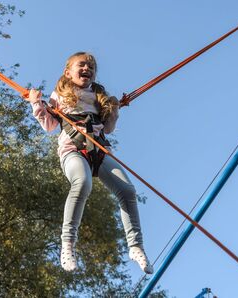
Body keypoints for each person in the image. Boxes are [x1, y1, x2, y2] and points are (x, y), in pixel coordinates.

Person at [25, 52, 153, 274]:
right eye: (81, 65)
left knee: (127, 190)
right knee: (82, 183)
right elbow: (49, 126)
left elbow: (109, 128)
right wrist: (36, 103)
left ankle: (135, 246)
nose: (87, 68)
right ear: (68, 72)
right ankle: (68, 245)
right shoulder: (60, 95)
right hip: (72, 149)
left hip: (101, 151)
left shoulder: (99, 96)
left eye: (91, 66)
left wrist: (113, 109)